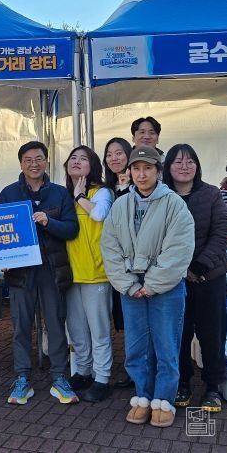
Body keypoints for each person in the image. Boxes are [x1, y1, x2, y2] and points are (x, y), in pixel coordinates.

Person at [101, 145, 194, 427]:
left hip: (166, 288)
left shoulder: (174, 204)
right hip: (131, 288)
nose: (142, 175)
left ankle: (164, 399)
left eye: (148, 168)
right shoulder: (120, 205)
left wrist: (152, 284)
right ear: (129, 172)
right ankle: (143, 395)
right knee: (136, 346)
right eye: (136, 169)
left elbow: (178, 249)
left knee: (166, 344)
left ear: (158, 171)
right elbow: (110, 247)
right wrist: (129, 284)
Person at [0, 141, 80, 405]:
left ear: (47, 161)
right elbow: (0, 232)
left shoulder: (59, 193)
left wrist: (48, 221)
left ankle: (59, 377)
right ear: (21, 163)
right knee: (20, 325)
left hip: (51, 269)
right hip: (20, 271)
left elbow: (72, 229)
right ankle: (22, 377)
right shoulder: (9, 194)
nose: (34, 164)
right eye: (28, 159)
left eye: (39, 159)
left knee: (55, 323)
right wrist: (2, 257)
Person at [163, 144, 227, 413]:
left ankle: (213, 387)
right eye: (178, 162)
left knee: (212, 334)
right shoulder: (161, 196)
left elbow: (221, 233)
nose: (184, 166)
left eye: (190, 161)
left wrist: (200, 266)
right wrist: (180, 270)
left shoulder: (212, 194)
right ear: (168, 167)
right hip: (174, 280)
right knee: (178, 335)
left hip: (209, 278)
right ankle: (182, 384)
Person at [63, 145, 114, 402]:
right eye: (73, 157)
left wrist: (79, 196)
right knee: (77, 329)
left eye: (83, 158)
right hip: (70, 274)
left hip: (96, 273)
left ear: (93, 166)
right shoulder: (62, 195)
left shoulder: (102, 192)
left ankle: (102, 377)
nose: (76, 161)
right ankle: (83, 371)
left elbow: (99, 214)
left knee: (99, 330)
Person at [102, 137, 133, 389]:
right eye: (109, 154)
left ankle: (139, 370)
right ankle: (133, 368)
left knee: (136, 319)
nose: (114, 158)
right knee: (124, 318)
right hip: (115, 264)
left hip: (134, 265)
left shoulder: (139, 184)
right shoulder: (106, 187)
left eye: (119, 153)